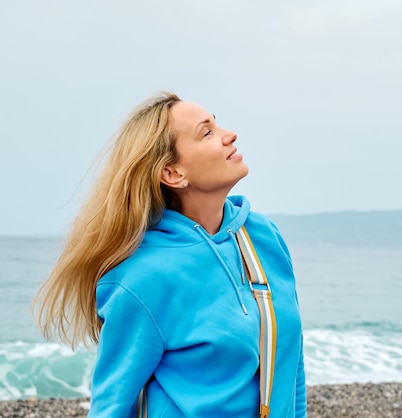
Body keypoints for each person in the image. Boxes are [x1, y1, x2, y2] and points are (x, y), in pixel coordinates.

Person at [33, 92, 307, 417]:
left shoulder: (263, 238)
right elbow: (112, 406)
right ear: (173, 173)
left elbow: (291, 364)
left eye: (216, 125)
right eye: (207, 132)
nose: (229, 135)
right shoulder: (142, 277)